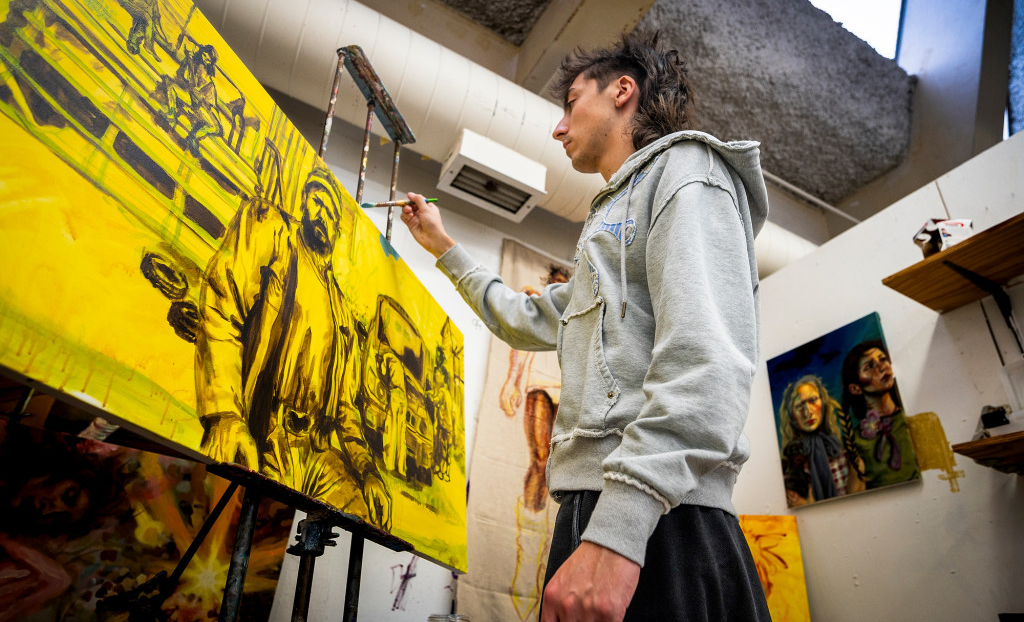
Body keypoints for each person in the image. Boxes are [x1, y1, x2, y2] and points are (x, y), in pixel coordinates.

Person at [401, 32, 770, 621]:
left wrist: (619, 535)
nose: (557, 126)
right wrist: (445, 248)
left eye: (571, 102)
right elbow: (523, 317)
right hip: (599, 508)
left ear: (624, 91)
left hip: (660, 521)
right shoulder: (611, 223)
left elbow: (708, 367)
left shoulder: (688, 170)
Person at [195, 165, 391, 528]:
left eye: (332, 213)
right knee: (241, 529)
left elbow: (346, 407)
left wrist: (368, 472)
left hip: (317, 450)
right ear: (303, 202)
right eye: (318, 202)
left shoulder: (340, 308)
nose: (323, 215)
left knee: (360, 516)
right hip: (268, 432)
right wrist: (224, 412)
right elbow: (223, 305)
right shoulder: (273, 231)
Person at [841, 341, 920, 489]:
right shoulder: (856, 439)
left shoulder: (913, 419)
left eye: (883, 359)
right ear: (855, 388)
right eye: (869, 366)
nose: (881, 366)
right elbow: (857, 491)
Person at [778, 374, 865, 506]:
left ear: (823, 404)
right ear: (791, 415)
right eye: (799, 405)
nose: (808, 412)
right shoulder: (790, 467)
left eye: (813, 400)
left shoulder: (845, 455)